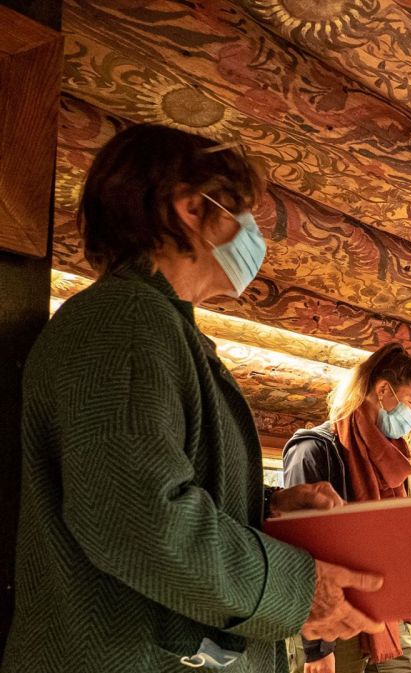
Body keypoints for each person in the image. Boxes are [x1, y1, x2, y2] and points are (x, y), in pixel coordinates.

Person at [2, 125, 385, 673]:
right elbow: (136, 518)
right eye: (241, 212)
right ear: (191, 207)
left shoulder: (155, 327)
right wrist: (297, 588)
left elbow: (143, 481)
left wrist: (264, 507)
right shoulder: (127, 320)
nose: (253, 234)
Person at [283, 343, 411, 673]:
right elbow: (301, 549)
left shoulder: (396, 464)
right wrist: (316, 649)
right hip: (331, 621)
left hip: (387, 615)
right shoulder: (314, 449)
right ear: (383, 390)